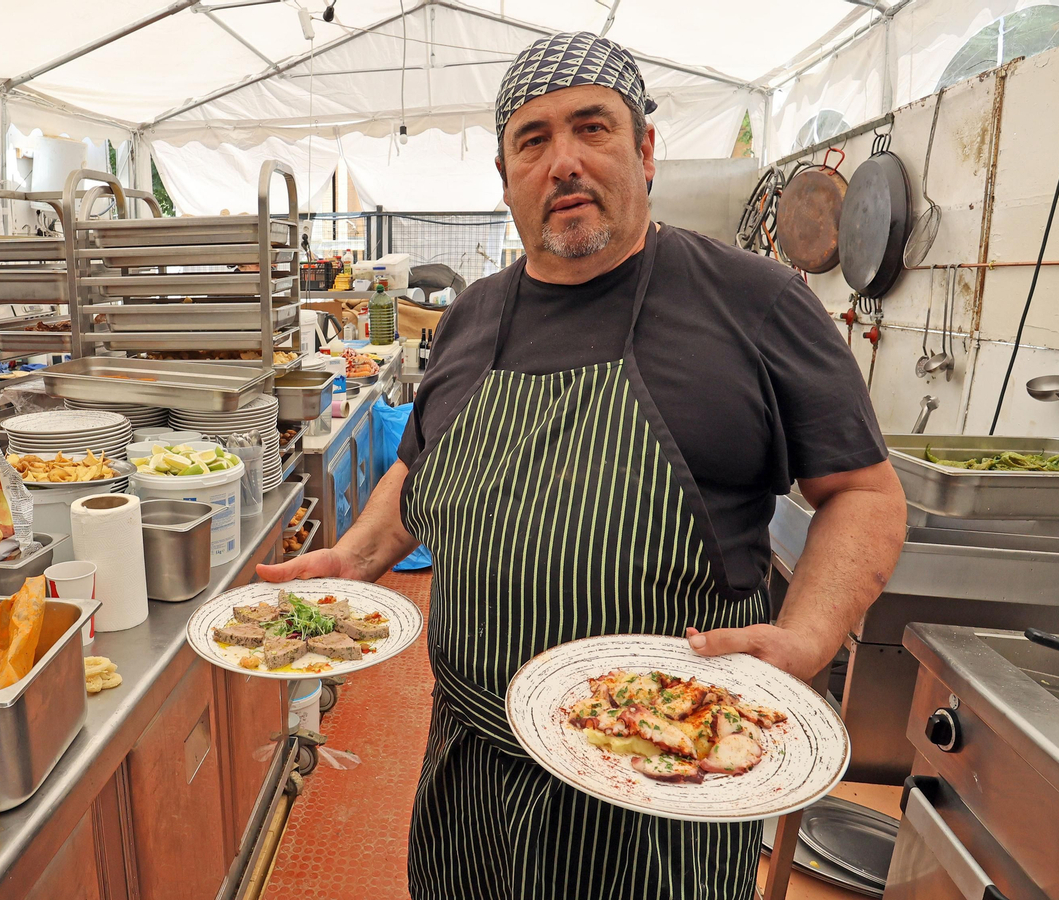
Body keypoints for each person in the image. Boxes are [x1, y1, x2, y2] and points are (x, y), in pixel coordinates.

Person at [258, 31, 907, 900]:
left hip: (666, 787)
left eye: (591, 129)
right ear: (505, 176)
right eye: (532, 140)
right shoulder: (470, 319)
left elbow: (864, 491)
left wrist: (810, 634)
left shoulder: (756, 302)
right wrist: (359, 556)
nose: (563, 161)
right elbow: (418, 469)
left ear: (643, 150)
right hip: (471, 777)